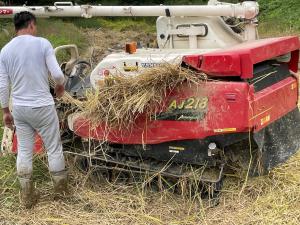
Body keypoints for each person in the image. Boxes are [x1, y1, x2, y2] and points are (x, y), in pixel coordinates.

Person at [0, 11, 68, 209]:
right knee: (54, 148)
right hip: (43, 107)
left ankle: (28, 196)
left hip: (20, 109)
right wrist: (60, 86)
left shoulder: (5, 51)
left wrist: (6, 111)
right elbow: (57, 74)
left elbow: (3, 86)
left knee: (24, 150)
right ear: (31, 24)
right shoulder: (42, 43)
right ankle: (60, 192)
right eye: (35, 26)